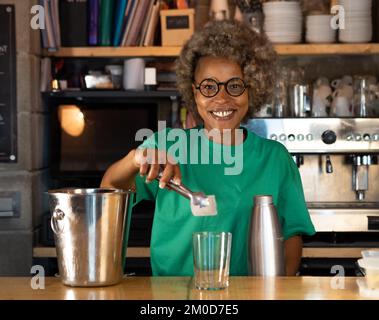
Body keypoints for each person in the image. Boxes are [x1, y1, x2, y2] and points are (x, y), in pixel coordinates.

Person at [101, 20, 315, 276]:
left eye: (234, 86)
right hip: (172, 298)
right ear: (194, 93)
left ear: (252, 90)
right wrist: (135, 158)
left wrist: (279, 290)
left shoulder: (275, 159)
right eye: (209, 87)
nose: (222, 98)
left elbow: (291, 236)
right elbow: (108, 192)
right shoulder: (166, 146)